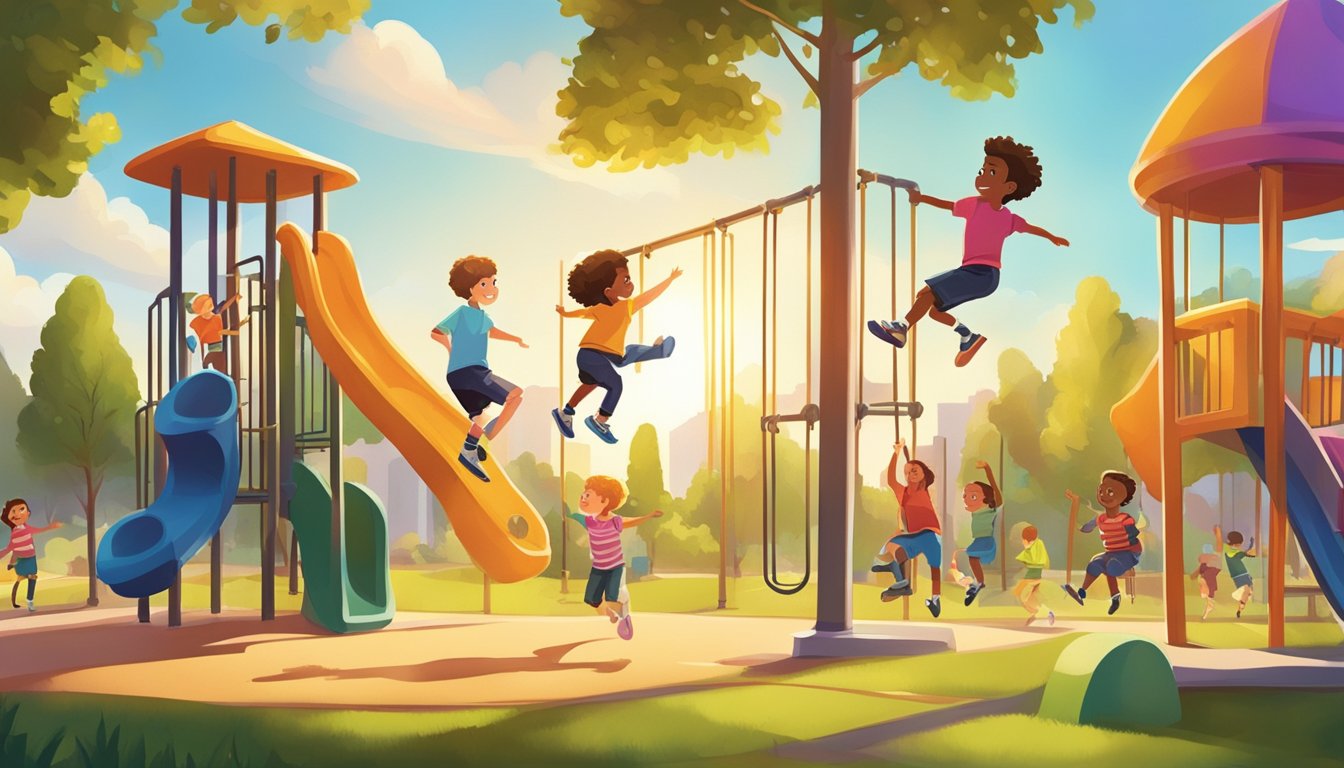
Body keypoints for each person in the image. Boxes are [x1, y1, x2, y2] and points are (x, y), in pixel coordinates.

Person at [867, 136, 1069, 367]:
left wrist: (1052, 237)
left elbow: (1030, 228)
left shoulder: (1008, 218)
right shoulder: (973, 205)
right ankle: (967, 336)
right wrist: (920, 198)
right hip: (971, 271)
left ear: (1009, 187)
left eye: (991, 173)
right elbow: (948, 205)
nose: (982, 176)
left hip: (984, 275)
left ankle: (901, 328)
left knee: (927, 295)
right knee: (931, 307)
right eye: (982, 169)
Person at [554, 250, 681, 445]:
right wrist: (669, 280)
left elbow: (580, 313)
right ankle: (600, 420)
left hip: (590, 355)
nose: (631, 284)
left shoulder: (599, 309)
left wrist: (565, 313)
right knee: (616, 384)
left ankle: (566, 412)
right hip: (595, 355)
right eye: (626, 280)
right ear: (608, 291)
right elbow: (648, 297)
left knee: (595, 380)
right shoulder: (625, 307)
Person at [430, 255, 527, 483]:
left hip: (460, 376)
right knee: (516, 395)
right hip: (470, 372)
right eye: (484, 284)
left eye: (493, 282)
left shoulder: (484, 317)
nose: (491, 288)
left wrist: (515, 339)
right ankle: (485, 440)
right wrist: (449, 347)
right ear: (470, 288)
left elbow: (493, 332)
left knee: (479, 417)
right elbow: (436, 331)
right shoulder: (462, 313)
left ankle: (469, 449)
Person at [566, 475, 662, 640]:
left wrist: (649, 516)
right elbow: (575, 517)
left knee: (613, 596)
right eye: (584, 494)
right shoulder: (590, 521)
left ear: (604, 500)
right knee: (591, 599)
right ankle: (612, 614)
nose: (583, 497)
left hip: (614, 567)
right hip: (598, 568)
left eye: (588, 495)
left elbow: (632, 521)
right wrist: (567, 515)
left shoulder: (615, 521)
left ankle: (624, 613)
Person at [871, 439, 944, 617]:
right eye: (906, 472)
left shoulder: (924, 489)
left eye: (914, 471)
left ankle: (935, 597)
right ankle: (903, 583)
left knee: (935, 566)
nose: (909, 474)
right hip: (914, 536)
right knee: (893, 545)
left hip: (930, 533)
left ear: (923, 475)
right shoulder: (902, 493)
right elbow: (890, 479)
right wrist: (896, 453)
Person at [1061, 472, 1141, 616]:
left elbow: (1134, 539)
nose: (1104, 494)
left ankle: (1116, 589)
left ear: (1122, 497)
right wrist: (1075, 504)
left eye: (1110, 492)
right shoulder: (1100, 519)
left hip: (1128, 553)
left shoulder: (1125, 519)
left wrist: (1131, 559)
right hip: (1111, 553)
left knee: (1111, 565)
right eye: (1101, 490)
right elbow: (1084, 528)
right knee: (1094, 565)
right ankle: (1082, 592)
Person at [1, 499, 62, 612]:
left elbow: (39, 530)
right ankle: (12, 565)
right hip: (20, 560)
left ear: (28, 513)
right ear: (8, 516)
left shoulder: (28, 529)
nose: (17, 514)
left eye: (21, 509)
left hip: (30, 558)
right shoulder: (14, 533)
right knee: (20, 578)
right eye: (13, 511)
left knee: (32, 577)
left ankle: (30, 601)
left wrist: (51, 527)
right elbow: (9, 548)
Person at [962, 460, 1001, 606]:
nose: (966, 500)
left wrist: (987, 469)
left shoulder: (990, 509)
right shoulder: (976, 512)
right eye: (965, 496)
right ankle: (978, 583)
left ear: (986, 499)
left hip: (987, 542)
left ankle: (979, 582)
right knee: (972, 558)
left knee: (972, 554)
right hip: (979, 541)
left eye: (972, 496)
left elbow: (995, 491)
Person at [188, 292, 249, 371]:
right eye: (206, 303)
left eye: (210, 301)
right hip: (209, 349)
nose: (211, 302)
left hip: (218, 349)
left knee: (219, 368)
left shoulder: (216, 318)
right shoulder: (197, 322)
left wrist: (234, 299)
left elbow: (223, 309)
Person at [1014, 524, 1054, 626]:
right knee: (1026, 595)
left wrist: (1027, 547)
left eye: (1023, 540)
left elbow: (1030, 558)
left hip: (1032, 577)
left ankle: (1040, 612)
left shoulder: (1032, 547)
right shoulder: (1039, 543)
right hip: (1035, 576)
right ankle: (1041, 611)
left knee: (1022, 596)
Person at [1216, 525, 1256, 619]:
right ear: (1233, 544)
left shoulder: (1234, 552)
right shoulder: (1229, 551)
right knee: (1246, 590)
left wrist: (1251, 545)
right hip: (1238, 575)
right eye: (1238, 545)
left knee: (1249, 590)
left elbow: (1245, 553)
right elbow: (1244, 553)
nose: (1239, 547)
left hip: (1244, 574)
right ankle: (1240, 608)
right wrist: (1218, 533)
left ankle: (1240, 607)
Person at [1191, 540, 1222, 621]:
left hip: (1208, 575)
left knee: (1207, 593)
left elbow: (1202, 562)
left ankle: (1208, 609)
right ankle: (1207, 611)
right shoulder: (1209, 560)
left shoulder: (1207, 559)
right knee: (1209, 596)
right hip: (1209, 575)